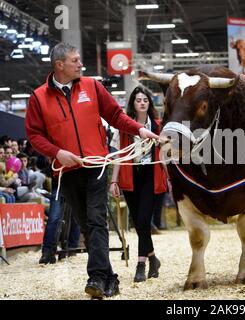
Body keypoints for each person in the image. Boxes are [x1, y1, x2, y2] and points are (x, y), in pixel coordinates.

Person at [25, 43, 158, 298]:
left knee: (96, 220)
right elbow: (34, 135)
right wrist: (57, 152)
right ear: (59, 65)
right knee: (86, 225)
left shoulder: (92, 86)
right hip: (65, 170)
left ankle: (96, 277)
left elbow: (116, 116)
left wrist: (139, 129)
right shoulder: (39, 97)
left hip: (96, 165)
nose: (80, 64)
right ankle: (110, 278)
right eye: (75, 60)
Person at [109, 86, 167, 282]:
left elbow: (167, 156)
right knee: (139, 224)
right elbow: (119, 155)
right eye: (138, 100)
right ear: (133, 104)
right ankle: (153, 259)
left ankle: (140, 264)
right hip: (130, 176)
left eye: (145, 100)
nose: (142, 103)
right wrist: (114, 180)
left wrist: (170, 177)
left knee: (143, 220)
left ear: (149, 104)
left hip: (151, 175)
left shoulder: (158, 126)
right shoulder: (123, 129)